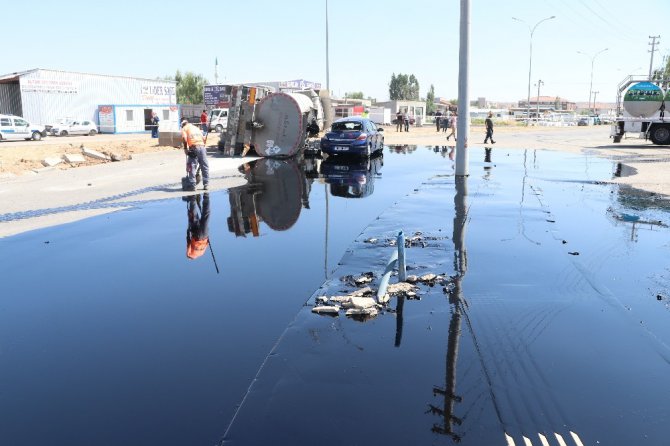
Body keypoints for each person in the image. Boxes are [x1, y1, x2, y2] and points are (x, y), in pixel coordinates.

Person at [181, 118, 209, 191]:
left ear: (182, 124)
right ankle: (206, 184)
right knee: (204, 166)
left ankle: (193, 185)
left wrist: (185, 148)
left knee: (191, 167)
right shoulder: (196, 128)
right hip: (202, 147)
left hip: (193, 148)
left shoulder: (184, 128)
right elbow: (203, 138)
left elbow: (184, 138)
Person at [185, 193, 210, 260]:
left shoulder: (201, 254)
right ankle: (192, 197)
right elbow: (188, 243)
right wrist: (188, 232)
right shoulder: (189, 254)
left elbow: (207, 244)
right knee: (193, 216)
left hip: (204, 235)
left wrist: (207, 238)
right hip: (196, 235)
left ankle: (206, 195)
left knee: (206, 215)